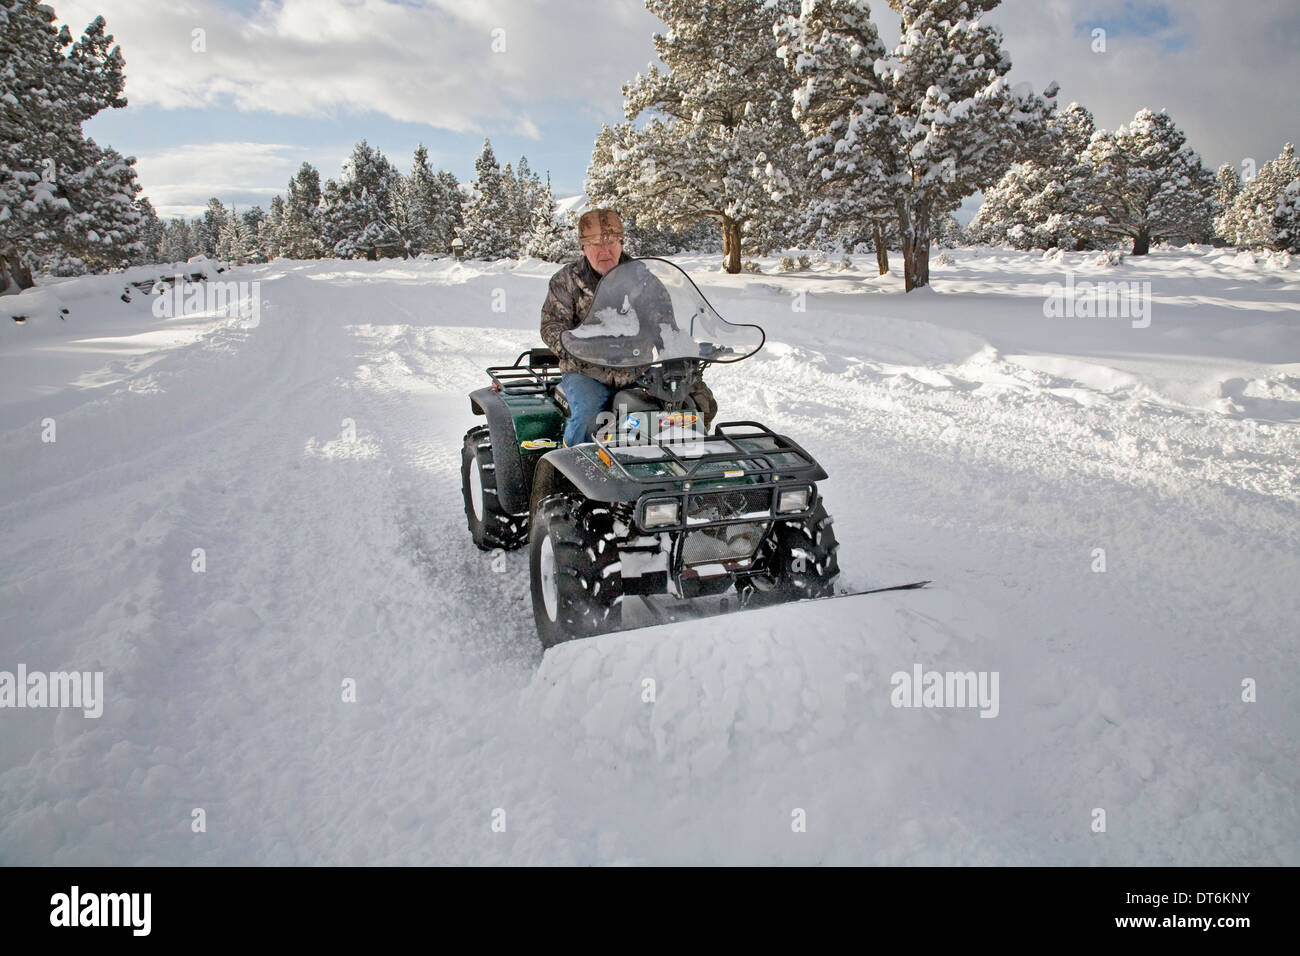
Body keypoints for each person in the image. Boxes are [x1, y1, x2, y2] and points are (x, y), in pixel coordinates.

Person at [540, 208, 717, 446]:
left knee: (690, 407)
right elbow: (551, 325)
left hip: (636, 371)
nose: (605, 251)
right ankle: (570, 475)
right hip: (586, 373)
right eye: (595, 244)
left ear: (621, 243)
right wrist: (569, 344)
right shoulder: (566, 281)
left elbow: (664, 326)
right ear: (583, 248)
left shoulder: (643, 280)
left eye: (611, 242)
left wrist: (682, 353)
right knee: (588, 416)